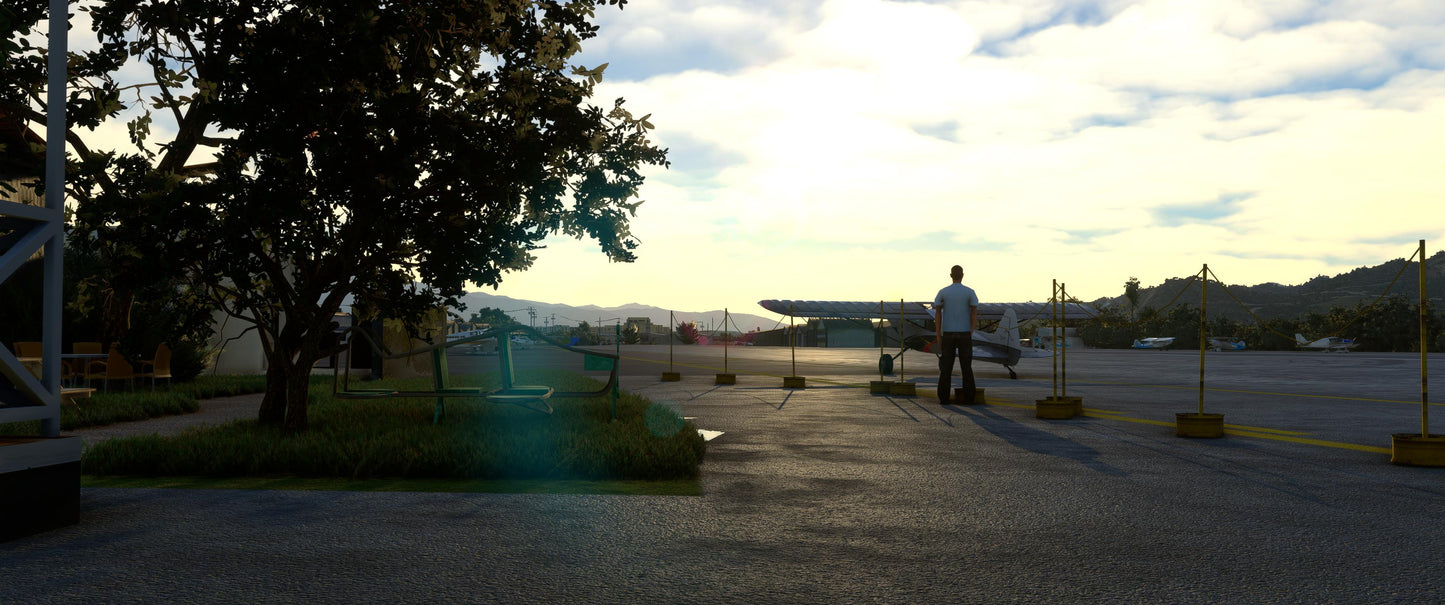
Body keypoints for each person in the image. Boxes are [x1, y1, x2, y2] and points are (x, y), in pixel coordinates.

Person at [934, 265, 978, 405]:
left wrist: (939, 335)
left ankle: (944, 397)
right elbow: (973, 313)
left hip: (948, 333)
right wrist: (971, 331)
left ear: (950, 275)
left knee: (946, 367)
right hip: (965, 333)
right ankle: (969, 397)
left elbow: (938, 314)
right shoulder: (970, 292)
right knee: (966, 367)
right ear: (962, 275)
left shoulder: (943, 292)